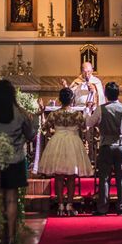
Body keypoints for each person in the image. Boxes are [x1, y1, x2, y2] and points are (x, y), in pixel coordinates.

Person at [0, 79, 42, 244]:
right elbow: (31, 135)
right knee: (11, 199)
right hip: (15, 159)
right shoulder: (20, 113)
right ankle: (11, 239)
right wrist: (35, 120)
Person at [86, 82, 122, 216]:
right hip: (121, 146)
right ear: (118, 94)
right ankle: (121, 208)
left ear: (105, 94)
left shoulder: (101, 109)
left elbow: (89, 123)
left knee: (104, 178)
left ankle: (102, 208)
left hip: (105, 146)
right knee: (121, 178)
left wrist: (87, 110)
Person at [38, 88, 93, 216]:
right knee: (71, 176)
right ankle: (69, 205)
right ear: (72, 99)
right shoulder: (76, 114)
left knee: (58, 176)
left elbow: (45, 128)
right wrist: (87, 111)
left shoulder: (54, 114)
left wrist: (41, 113)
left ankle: (60, 206)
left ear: (60, 99)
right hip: (73, 142)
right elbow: (85, 128)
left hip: (57, 142)